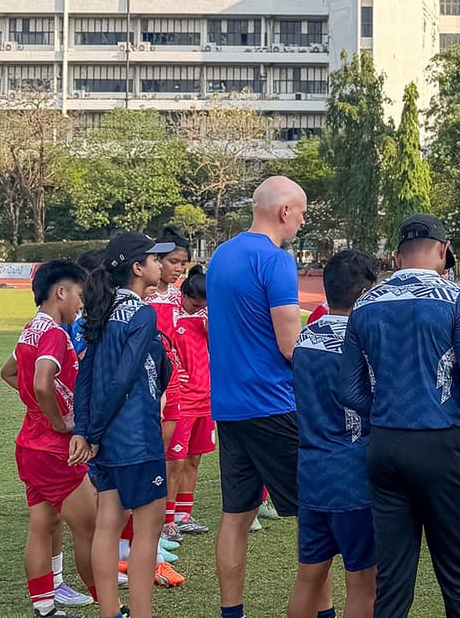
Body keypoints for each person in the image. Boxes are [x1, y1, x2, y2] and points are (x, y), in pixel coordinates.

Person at [340, 214, 460, 617]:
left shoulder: (365, 303)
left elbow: (350, 390)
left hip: (385, 445)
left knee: (391, 585)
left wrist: (389, 414)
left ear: (396, 255)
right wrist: (453, 414)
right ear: (443, 250)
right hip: (440, 442)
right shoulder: (457, 299)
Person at [206, 175, 308, 618]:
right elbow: (292, 346)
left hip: (228, 407)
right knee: (314, 514)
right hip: (273, 405)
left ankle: (232, 612)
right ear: (284, 211)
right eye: (301, 213)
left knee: (237, 514)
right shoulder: (277, 260)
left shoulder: (220, 255)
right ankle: (320, 610)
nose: (301, 223)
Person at [71, 232, 176, 618]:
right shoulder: (142, 314)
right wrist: (91, 432)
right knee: (147, 533)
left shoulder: (102, 308)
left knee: (107, 525)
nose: (159, 265)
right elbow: (123, 378)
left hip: (110, 439)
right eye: (153, 259)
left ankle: (110, 612)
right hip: (136, 438)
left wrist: (86, 430)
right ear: (136, 268)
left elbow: (86, 374)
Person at [2, 260, 98, 618]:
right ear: (61, 292)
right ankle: (110, 605)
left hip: (29, 445)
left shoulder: (30, 329)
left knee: (42, 527)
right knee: (91, 529)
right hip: (55, 449)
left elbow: (8, 372)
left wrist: (38, 408)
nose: (81, 304)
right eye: (79, 295)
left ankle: (44, 609)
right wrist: (58, 421)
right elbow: (43, 381)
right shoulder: (55, 333)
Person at [288, 250, 380, 618]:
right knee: (362, 582)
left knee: (309, 578)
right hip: (352, 474)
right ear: (362, 294)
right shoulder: (364, 343)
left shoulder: (304, 338)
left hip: (311, 472)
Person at [145, 227, 189, 560]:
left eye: (183, 264)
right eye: (173, 262)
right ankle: (142, 534)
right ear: (155, 261)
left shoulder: (176, 297)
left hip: (172, 383)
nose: (178, 269)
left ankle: (157, 530)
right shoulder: (143, 296)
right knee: (150, 456)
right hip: (150, 383)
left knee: (166, 457)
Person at [168, 266, 212, 536]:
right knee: (175, 461)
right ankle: (167, 520)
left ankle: (184, 514)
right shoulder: (171, 318)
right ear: (184, 295)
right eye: (195, 302)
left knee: (194, 460)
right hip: (182, 401)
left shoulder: (207, 318)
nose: (198, 307)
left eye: (204, 303)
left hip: (206, 400)